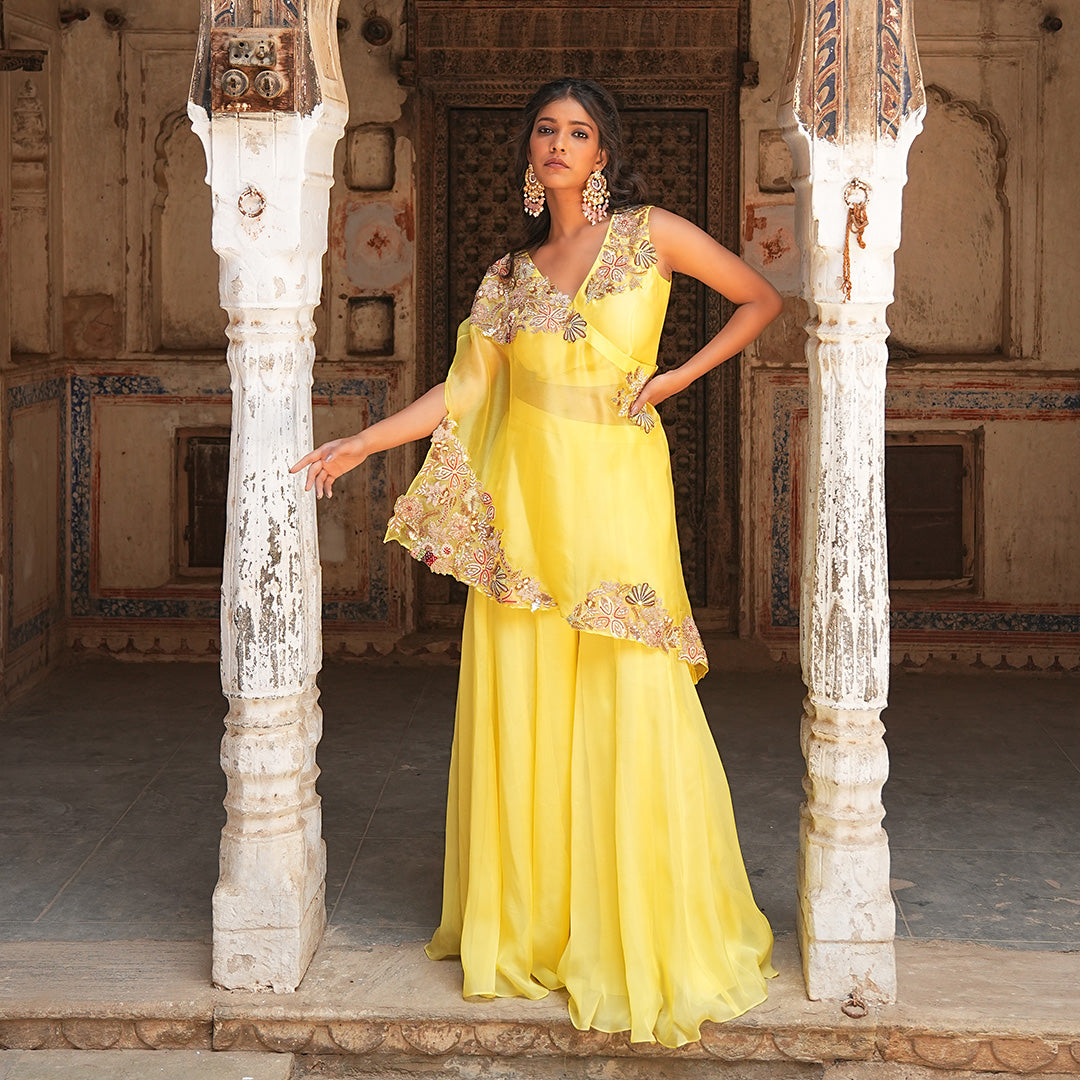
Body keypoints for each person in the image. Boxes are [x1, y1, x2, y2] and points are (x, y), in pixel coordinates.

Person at [292, 78, 783, 1048]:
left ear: (604, 153)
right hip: (529, 518)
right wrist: (362, 444)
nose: (561, 144)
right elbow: (460, 394)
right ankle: (542, 925)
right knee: (532, 704)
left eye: (581, 132)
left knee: (629, 697)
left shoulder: (650, 235)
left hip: (618, 502)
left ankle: (644, 926)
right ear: (530, 155)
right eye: (548, 131)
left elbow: (762, 297)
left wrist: (678, 375)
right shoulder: (508, 279)